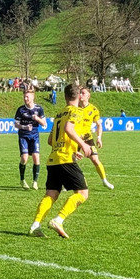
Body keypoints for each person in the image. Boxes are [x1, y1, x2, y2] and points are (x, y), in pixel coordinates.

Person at [29, 85, 93, 239]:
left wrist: (72, 149)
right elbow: (68, 129)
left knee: (51, 194)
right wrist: (83, 144)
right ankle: (58, 220)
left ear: (65, 97)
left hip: (54, 159)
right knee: (82, 193)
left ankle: (36, 225)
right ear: (78, 96)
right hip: (65, 159)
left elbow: (51, 140)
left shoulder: (59, 114)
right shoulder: (77, 111)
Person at [78, 86, 114, 190]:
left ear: (88, 96)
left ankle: (104, 180)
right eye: (80, 92)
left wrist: (99, 137)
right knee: (70, 161)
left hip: (87, 138)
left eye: (83, 93)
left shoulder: (93, 109)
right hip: (75, 138)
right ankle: (65, 183)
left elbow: (99, 124)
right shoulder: (74, 108)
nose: (80, 95)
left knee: (95, 159)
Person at [13, 89, 46, 190]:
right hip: (23, 136)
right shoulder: (21, 110)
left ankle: (35, 182)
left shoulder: (39, 109)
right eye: (24, 96)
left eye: (27, 96)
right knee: (24, 158)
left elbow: (44, 123)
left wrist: (37, 119)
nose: (25, 98)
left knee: (36, 157)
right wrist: (24, 127)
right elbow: (16, 124)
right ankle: (22, 180)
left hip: (34, 136)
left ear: (33, 97)